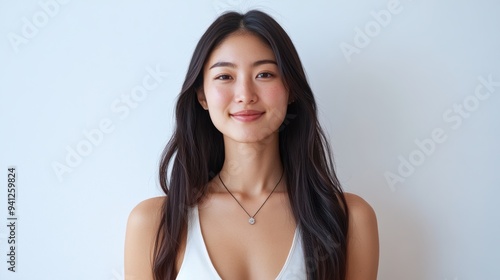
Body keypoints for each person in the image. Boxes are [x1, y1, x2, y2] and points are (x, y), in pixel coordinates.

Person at [125, 10, 378, 280]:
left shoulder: (349, 219)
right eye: (225, 76)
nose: (245, 95)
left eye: (265, 74)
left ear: (290, 89)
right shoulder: (154, 223)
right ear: (202, 96)